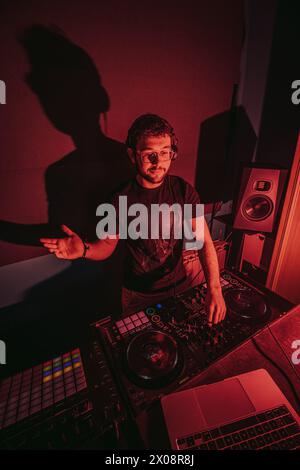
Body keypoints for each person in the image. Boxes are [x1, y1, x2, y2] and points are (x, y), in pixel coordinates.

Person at [40, 114, 226, 324]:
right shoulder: (117, 199)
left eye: (165, 153)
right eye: (149, 155)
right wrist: (83, 249)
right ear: (132, 155)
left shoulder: (183, 190)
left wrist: (215, 288)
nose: (158, 162)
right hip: (137, 296)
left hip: (180, 286)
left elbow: (203, 241)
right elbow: (106, 246)